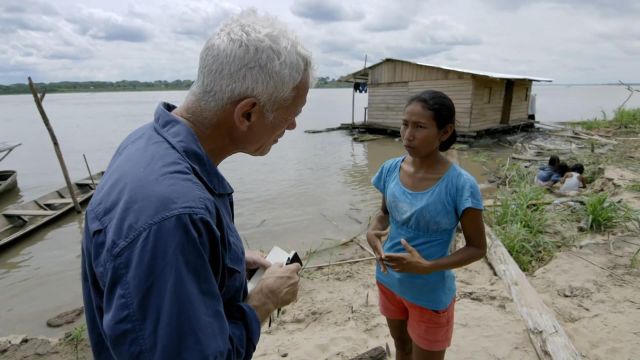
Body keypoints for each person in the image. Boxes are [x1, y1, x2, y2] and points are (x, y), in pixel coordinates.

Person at [81, 10, 312, 359]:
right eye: (290, 113)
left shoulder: (146, 142)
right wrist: (262, 302)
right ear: (247, 113)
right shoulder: (174, 216)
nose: (292, 126)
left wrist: (227, 259)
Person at [366, 90, 487, 360]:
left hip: (429, 292)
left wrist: (428, 266)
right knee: (402, 349)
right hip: (388, 280)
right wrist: (373, 231)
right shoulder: (390, 169)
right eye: (405, 124)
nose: (407, 135)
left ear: (445, 133)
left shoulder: (460, 184)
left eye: (419, 127)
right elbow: (384, 213)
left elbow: (478, 248)